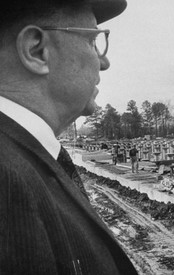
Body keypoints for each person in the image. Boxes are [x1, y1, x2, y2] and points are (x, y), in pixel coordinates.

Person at [0, 1, 138, 274]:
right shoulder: (6, 181)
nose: (104, 61)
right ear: (37, 51)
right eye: (93, 41)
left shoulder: (25, 157)